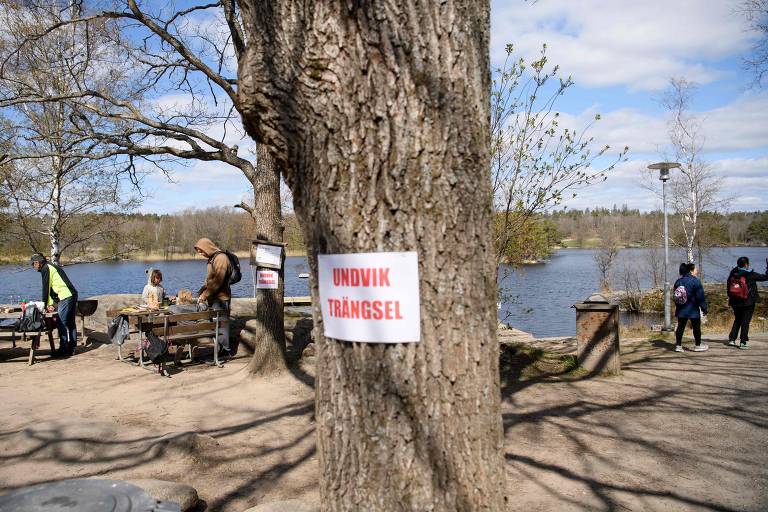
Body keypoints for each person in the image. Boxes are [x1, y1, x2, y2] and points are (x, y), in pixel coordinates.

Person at [30, 253, 78, 357]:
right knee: (70, 322)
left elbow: (46, 288)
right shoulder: (50, 266)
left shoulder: (46, 268)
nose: (33, 267)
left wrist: (43, 305)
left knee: (61, 322)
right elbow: (52, 288)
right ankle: (72, 349)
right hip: (72, 294)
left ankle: (63, 349)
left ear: (38, 262)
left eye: (33, 264)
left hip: (66, 296)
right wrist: (51, 304)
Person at [194, 238, 232, 357]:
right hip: (213, 298)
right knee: (215, 325)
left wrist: (205, 294)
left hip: (221, 298)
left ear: (207, 247)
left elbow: (218, 281)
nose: (200, 254)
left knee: (221, 326)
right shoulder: (212, 258)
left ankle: (225, 351)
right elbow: (210, 280)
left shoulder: (221, 258)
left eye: (201, 251)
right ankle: (218, 349)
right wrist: (202, 290)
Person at [727, 256, 768, 350]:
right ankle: (743, 342)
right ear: (746, 264)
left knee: (738, 319)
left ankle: (732, 339)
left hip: (735, 301)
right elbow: (766, 277)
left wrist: (730, 298)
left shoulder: (733, 273)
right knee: (745, 322)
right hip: (748, 302)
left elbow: (728, 286)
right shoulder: (751, 274)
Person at [673, 262, 708, 353]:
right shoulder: (695, 281)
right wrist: (704, 308)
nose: (697, 270)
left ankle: (678, 346)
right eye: (696, 269)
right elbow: (700, 297)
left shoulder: (678, 281)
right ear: (691, 270)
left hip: (681, 308)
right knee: (696, 327)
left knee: (680, 327)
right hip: (693, 309)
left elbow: (675, 296)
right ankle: (698, 345)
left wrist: (678, 306)